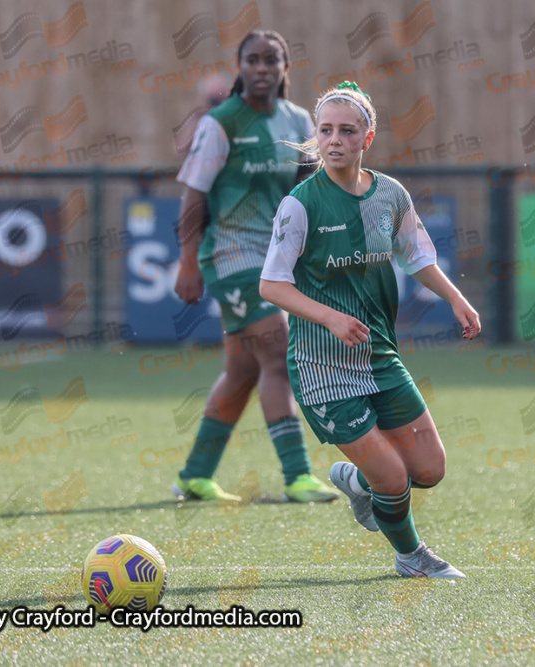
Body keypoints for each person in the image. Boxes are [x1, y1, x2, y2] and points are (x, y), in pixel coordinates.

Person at [259, 82, 482, 578]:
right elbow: (272, 285)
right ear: (315, 137)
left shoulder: (390, 194)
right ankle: (411, 556)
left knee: (429, 471)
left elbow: (418, 255)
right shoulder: (300, 204)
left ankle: (359, 483)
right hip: (322, 367)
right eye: (325, 130)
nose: (334, 139)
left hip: (380, 357)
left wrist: (456, 297)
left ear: (368, 137)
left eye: (347, 130)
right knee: (396, 476)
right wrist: (330, 317)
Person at [171, 29, 339, 504]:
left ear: (285, 68)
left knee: (244, 369)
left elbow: (312, 192)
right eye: (252, 60)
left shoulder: (299, 120)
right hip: (230, 256)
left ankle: (194, 474)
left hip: (276, 257)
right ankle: (298, 475)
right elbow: (193, 198)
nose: (261, 68)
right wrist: (188, 262)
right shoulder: (220, 123)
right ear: (240, 67)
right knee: (279, 351)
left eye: (271, 61)